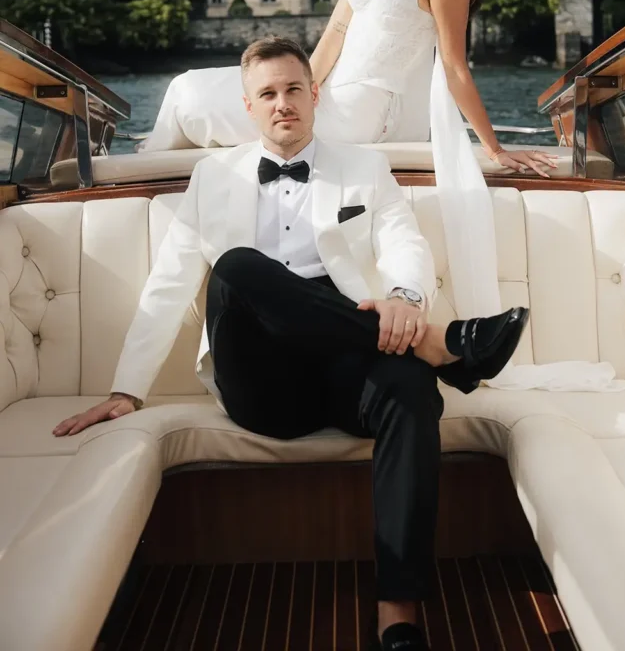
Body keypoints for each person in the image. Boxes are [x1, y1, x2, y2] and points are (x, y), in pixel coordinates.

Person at [54, 37, 529, 651]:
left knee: (411, 391)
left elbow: (404, 243)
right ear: (249, 107)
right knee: (239, 268)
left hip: (348, 366)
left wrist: (407, 301)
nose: (283, 104)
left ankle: (399, 610)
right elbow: (168, 285)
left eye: (294, 90)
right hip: (261, 381)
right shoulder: (212, 175)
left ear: (315, 96)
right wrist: (126, 390)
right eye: (269, 94)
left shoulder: (363, 166)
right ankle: (441, 347)